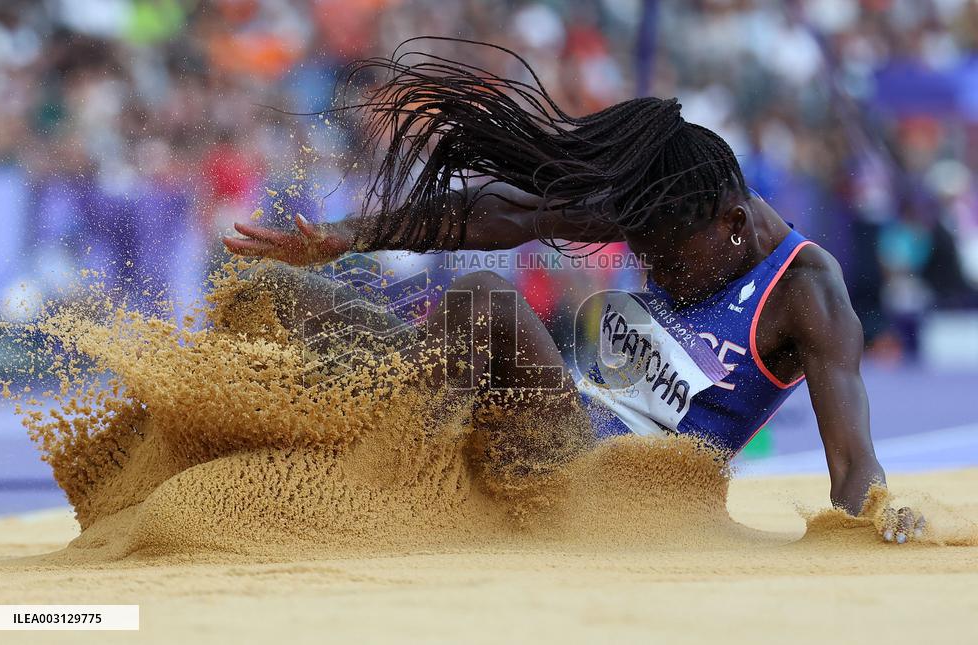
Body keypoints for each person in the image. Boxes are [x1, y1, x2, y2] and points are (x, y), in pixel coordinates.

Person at [224, 38, 924, 544]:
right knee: (296, 300)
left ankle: (385, 489)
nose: (659, 273)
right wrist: (351, 233)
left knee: (484, 302)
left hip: (619, 491)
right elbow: (505, 212)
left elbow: (855, 466)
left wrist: (885, 513)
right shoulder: (670, 209)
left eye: (667, 260)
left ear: (734, 225)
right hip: (554, 435)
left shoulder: (808, 293)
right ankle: (288, 453)